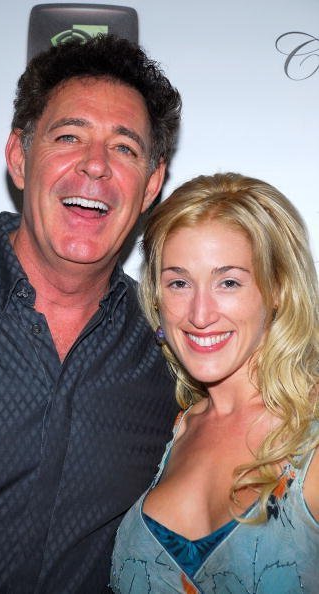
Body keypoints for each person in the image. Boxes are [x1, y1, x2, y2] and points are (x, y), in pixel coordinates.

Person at [0, 35, 181, 593]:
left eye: (125, 149)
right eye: (70, 137)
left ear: (151, 185)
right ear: (19, 157)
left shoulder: (172, 350)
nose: (95, 166)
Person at [111, 172, 319, 593]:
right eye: (179, 283)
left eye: (228, 282)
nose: (200, 314)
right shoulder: (176, 426)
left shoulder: (311, 435)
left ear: (277, 288)